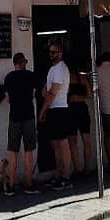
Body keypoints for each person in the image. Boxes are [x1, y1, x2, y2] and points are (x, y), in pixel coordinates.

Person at [0, 52, 39, 196]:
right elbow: (33, 94)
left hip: (14, 117)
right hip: (28, 116)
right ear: (23, 62)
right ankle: (29, 184)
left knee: (13, 151)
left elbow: (8, 99)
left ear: (14, 63)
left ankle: (11, 185)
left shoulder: (8, 78)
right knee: (28, 151)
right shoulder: (31, 76)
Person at [39, 41, 72, 189]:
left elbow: (52, 92)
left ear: (61, 53)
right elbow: (44, 91)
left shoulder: (60, 69)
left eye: (54, 52)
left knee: (63, 144)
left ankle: (66, 177)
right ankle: (58, 175)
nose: (51, 54)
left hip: (59, 109)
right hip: (53, 109)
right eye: (50, 52)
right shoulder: (52, 69)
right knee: (56, 145)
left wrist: (43, 110)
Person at [67, 66, 93, 176]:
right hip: (83, 108)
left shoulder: (67, 78)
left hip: (72, 109)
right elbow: (89, 95)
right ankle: (87, 167)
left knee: (72, 141)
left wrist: (73, 97)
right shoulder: (83, 79)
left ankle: (77, 168)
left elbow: (65, 95)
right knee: (86, 139)